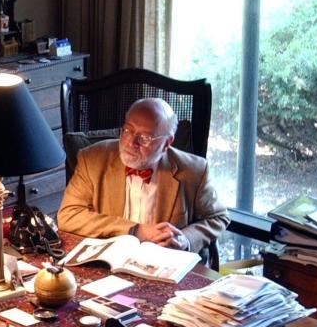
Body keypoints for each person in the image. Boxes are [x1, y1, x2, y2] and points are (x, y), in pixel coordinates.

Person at [57, 97, 229, 257]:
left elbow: (218, 217)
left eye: (144, 138)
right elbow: (68, 215)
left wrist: (185, 239)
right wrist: (135, 230)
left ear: (167, 143)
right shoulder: (93, 159)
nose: (131, 143)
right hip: (110, 259)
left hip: (164, 262)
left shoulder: (193, 170)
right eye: (127, 131)